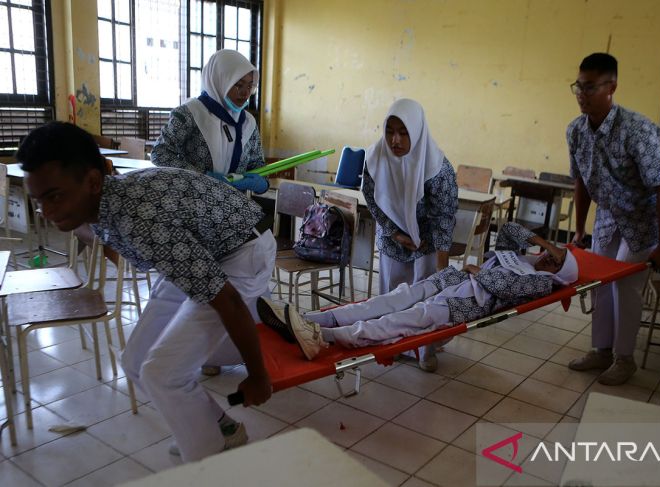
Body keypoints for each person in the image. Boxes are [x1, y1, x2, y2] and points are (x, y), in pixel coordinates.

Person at [19, 122, 275, 463]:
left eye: (54, 197)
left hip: (243, 250)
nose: (47, 213)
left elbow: (227, 299)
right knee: (136, 361)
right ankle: (220, 429)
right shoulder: (103, 203)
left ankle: (210, 464)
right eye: (38, 201)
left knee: (161, 372)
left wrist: (258, 376)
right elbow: (127, 245)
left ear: (93, 181)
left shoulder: (139, 218)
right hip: (202, 247)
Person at [258, 223, 578, 372]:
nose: (552, 260)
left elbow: (507, 290)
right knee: (382, 303)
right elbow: (508, 229)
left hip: (460, 305)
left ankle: (322, 336)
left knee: (398, 322)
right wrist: (547, 245)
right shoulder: (527, 259)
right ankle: (305, 320)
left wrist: (479, 273)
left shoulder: (542, 283)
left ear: (559, 274)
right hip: (447, 281)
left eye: (558, 263)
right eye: (555, 255)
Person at [566, 53, 660, 386]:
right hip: (609, 217)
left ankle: (624, 359)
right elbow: (581, 181)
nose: (583, 94)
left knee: (624, 286)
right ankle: (601, 350)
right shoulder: (576, 131)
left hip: (644, 220)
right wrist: (580, 228)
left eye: (591, 87)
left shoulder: (636, 129)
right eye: (578, 87)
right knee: (599, 282)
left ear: (611, 87)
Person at [362, 98, 458, 293]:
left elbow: (443, 219)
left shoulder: (437, 169)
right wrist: (395, 233)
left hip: (425, 246)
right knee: (388, 301)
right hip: (391, 242)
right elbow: (371, 198)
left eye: (404, 133)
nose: (394, 140)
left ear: (417, 132)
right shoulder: (375, 158)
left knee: (421, 304)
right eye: (389, 132)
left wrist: (441, 269)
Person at [151, 49, 268, 195]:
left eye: (250, 86)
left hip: (233, 206)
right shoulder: (190, 113)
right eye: (239, 85)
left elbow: (256, 163)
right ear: (220, 80)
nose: (245, 93)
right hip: (192, 202)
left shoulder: (248, 123)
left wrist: (262, 181)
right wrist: (203, 176)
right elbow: (160, 153)